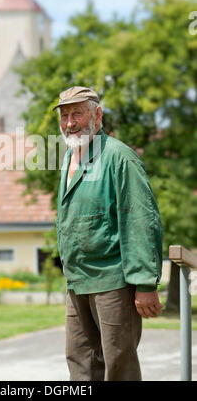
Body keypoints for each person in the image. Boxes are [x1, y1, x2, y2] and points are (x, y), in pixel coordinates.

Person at [53, 86, 163, 381]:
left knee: (118, 365)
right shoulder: (68, 159)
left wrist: (143, 282)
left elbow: (140, 220)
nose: (70, 122)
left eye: (77, 113)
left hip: (113, 281)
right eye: (64, 115)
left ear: (97, 115)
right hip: (77, 281)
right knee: (80, 361)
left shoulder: (119, 158)